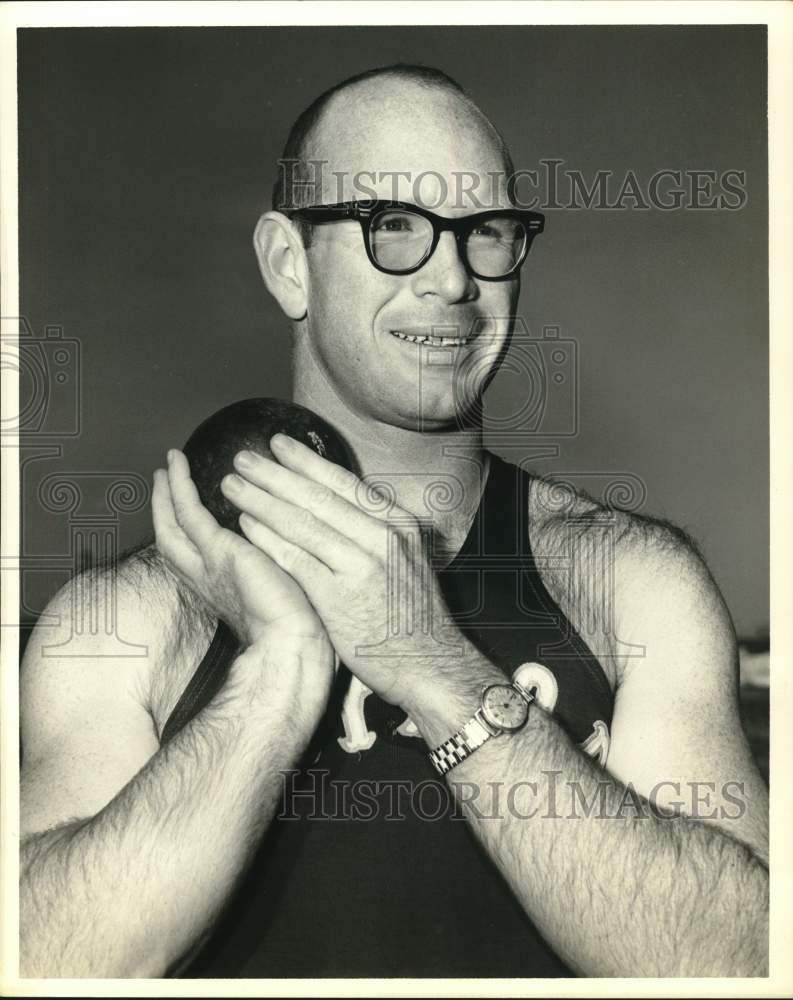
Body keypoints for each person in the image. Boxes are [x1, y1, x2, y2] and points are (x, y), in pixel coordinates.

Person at [19, 64, 768, 979]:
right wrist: (277, 676)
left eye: (487, 232)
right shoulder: (123, 623)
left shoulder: (633, 582)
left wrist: (427, 662)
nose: (454, 280)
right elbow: (46, 961)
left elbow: (743, 962)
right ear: (288, 263)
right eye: (394, 228)